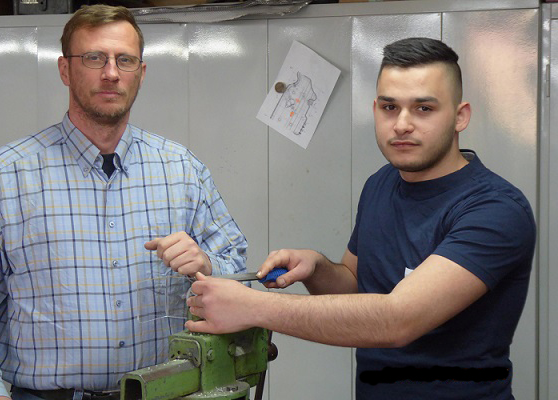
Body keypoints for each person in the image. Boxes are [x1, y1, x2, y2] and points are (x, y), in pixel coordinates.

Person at [185, 37, 536, 399]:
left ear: (460, 115)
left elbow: (398, 319)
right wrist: (318, 268)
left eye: (424, 109)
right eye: (389, 107)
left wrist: (253, 307)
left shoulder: (495, 209)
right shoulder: (381, 185)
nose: (401, 124)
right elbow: (356, 285)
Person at [0, 5, 247, 400]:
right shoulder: (8, 175)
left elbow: (242, 274)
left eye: (124, 60)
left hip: (166, 393)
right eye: (94, 58)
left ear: (140, 74)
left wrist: (209, 265)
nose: (111, 72)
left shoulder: (182, 170)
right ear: (65, 70)